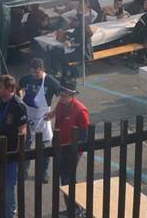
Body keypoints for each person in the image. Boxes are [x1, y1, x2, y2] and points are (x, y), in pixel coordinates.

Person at [47, 80, 90, 213]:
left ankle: (74, 210)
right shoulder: (62, 103)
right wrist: (51, 114)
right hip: (61, 147)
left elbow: (84, 136)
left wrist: (76, 152)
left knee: (67, 179)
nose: (61, 97)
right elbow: (57, 113)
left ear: (72, 95)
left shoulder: (80, 111)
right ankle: (76, 207)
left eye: (64, 95)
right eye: (61, 94)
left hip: (72, 151)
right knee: (66, 178)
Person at [0, 75, 28, 218]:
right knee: (0, 180)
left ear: (9, 89)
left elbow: (22, 131)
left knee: (8, 184)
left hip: (9, 153)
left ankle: (10, 211)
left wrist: (17, 153)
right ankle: (1, 205)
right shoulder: (0, 101)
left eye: (0, 87)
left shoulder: (18, 106)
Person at [19, 58, 61, 184]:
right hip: (28, 115)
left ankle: (43, 173)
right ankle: (23, 171)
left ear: (42, 69)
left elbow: (63, 97)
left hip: (43, 117)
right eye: (32, 72)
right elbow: (18, 88)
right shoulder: (26, 79)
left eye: (37, 72)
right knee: (25, 145)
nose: (34, 75)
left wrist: (53, 113)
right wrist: (20, 97)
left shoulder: (51, 82)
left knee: (43, 147)